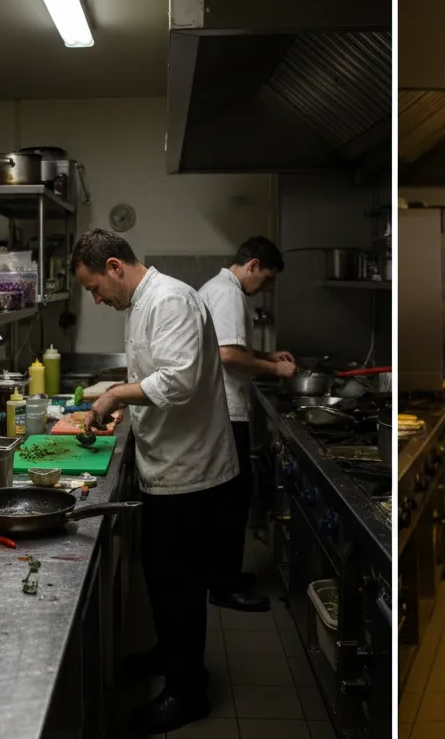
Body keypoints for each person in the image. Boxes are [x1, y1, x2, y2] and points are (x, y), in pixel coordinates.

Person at [72, 229, 238, 734]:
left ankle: (188, 694)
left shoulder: (171, 300)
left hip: (191, 474)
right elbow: (155, 369)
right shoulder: (143, 303)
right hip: (166, 467)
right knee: (164, 583)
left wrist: (115, 396)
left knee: (180, 588)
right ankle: (171, 656)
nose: (97, 300)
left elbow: (179, 381)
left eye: (95, 288)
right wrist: (122, 396)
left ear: (115, 266)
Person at [197, 236, 295, 613]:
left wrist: (267, 354)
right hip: (225, 412)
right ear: (252, 265)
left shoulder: (220, 288)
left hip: (222, 410)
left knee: (231, 499)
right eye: (266, 278)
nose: (265, 287)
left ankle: (226, 575)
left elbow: (231, 346)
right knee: (231, 502)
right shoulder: (228, 294)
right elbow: (226, 354)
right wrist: (275, 368)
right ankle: (224, 587)